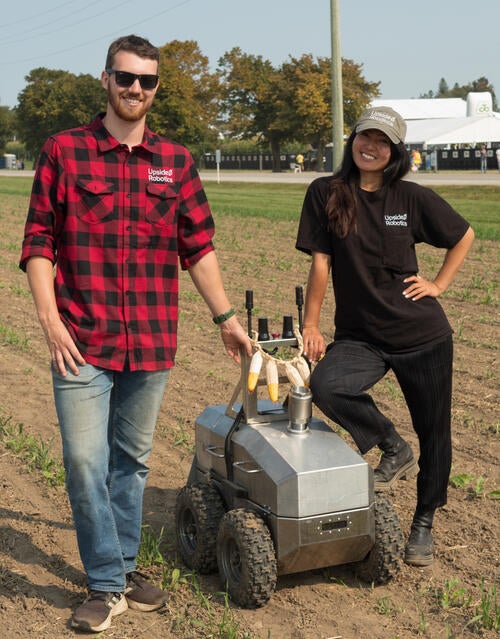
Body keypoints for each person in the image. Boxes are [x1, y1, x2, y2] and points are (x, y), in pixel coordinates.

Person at [19, 34, 252, 633]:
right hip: (80, 338)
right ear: (105, 79)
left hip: (150, 339)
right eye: (125, 78)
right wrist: (49, 318)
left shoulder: (174, 161)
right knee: (81, 460)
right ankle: (105, 582)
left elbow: (197, 247)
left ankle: (120, 568)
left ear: (156, 88)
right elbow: (39, 240)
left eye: (147, 81)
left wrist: (226, 319)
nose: (135, 89)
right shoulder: (65, 151)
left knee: (131, 463)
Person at [295, 106, 474, 569]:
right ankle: (392, 445)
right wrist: (311, 325)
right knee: (327, 385)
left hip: (421, 335)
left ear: (395, 151)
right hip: (361, 337)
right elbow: (320, 264)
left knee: (436, 431)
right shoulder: (326, 194)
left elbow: (464, 234)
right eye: (363, 136)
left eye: (382, 141)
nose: (369, 146)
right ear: (352, 140)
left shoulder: (411, 198)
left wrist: (438, 284)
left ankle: (424, 522)